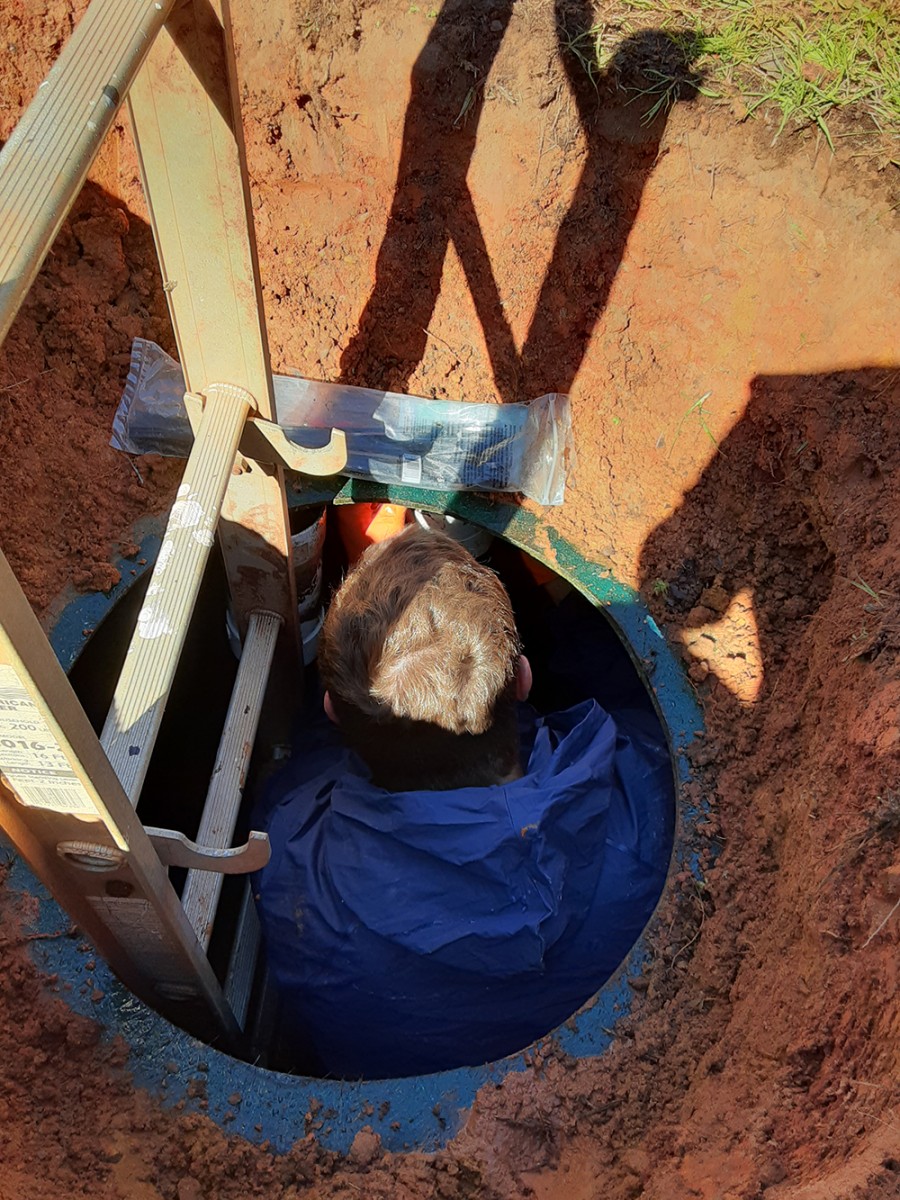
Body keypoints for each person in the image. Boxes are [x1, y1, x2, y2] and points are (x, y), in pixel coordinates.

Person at [254, 525, 674, 1078]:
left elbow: (299, 774)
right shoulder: (648, 803)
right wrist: (560, 595)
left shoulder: (293, 865)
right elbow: (644, 692)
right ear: (522, 679)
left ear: (333, 711)